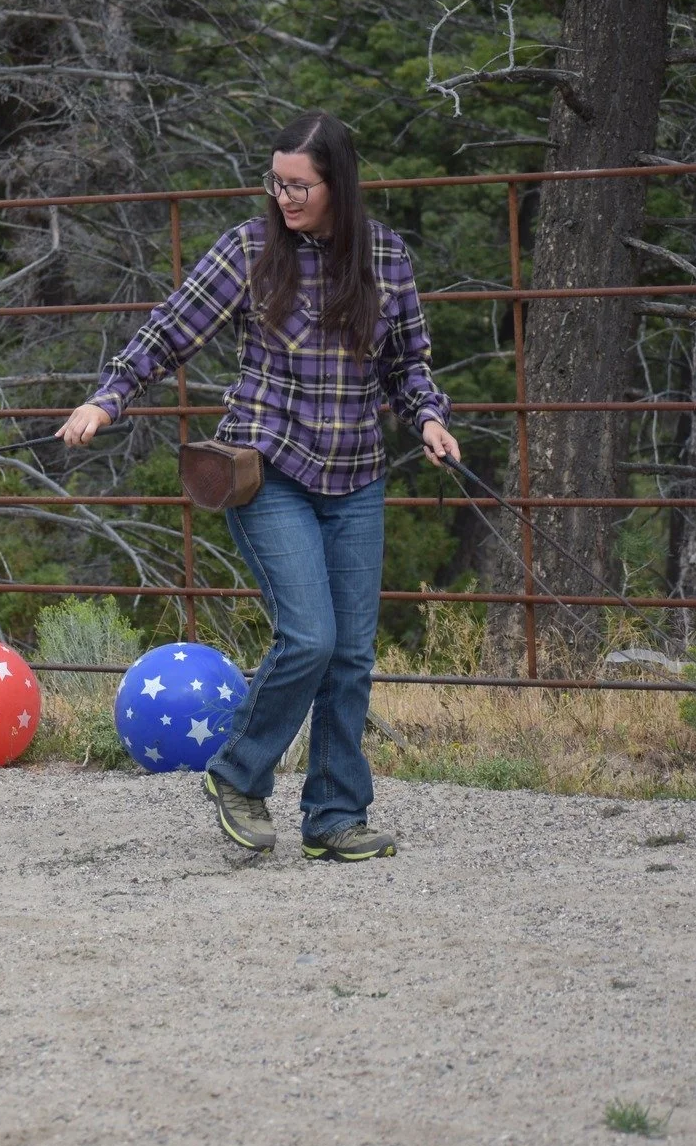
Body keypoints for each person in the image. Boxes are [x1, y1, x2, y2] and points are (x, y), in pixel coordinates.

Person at [57, 112, 459, 861]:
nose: (284, 196)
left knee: (350, 657)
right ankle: (239, 773)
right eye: (276, 182)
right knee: (310, 636)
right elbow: (170, 328)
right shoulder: (248, 250)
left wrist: (430, 419)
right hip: (267, 469)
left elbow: (407, 367)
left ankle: (335, 816)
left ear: (338, 183)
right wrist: (108, 396)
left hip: (358, 475)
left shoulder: (386, 258)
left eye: (299, 184)